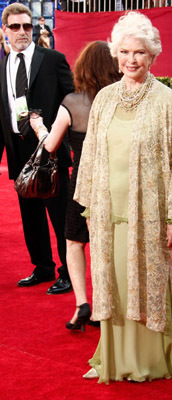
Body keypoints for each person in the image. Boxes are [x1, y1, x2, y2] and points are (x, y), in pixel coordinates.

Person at [74, 11, 172, 383]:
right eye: (125, 52)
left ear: (153, 56)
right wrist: (89, 204)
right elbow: (92, 156)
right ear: (115, 54)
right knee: (113, 284)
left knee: (148, 283)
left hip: (150, 215)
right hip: (108, 213)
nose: (131, 60)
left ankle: (148, 359)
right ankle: (112, 358)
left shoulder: (167, 102)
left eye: (140, 53)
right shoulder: (103, 100)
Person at [29, 41, 122, 330]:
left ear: (82, 68)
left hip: (83, 183)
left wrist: (38, 127)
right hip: (117, 182)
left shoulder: (71, 102)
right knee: (111, 247)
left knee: (73, 242)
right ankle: (107, 307)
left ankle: (82, 303)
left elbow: (51, 145)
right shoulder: (121, 100)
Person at [0, 3, 74, 294]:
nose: (22, 32)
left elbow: (71, 100)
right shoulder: (2, 65)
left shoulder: (53, 59)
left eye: (27, 26)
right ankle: (42, 267)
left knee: (59, 215)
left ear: (34, 28)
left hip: (50, 149)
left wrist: (61, 138)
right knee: (29, 214)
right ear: (4, 30)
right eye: (15, 27)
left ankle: (68, 272)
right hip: (19, 150)